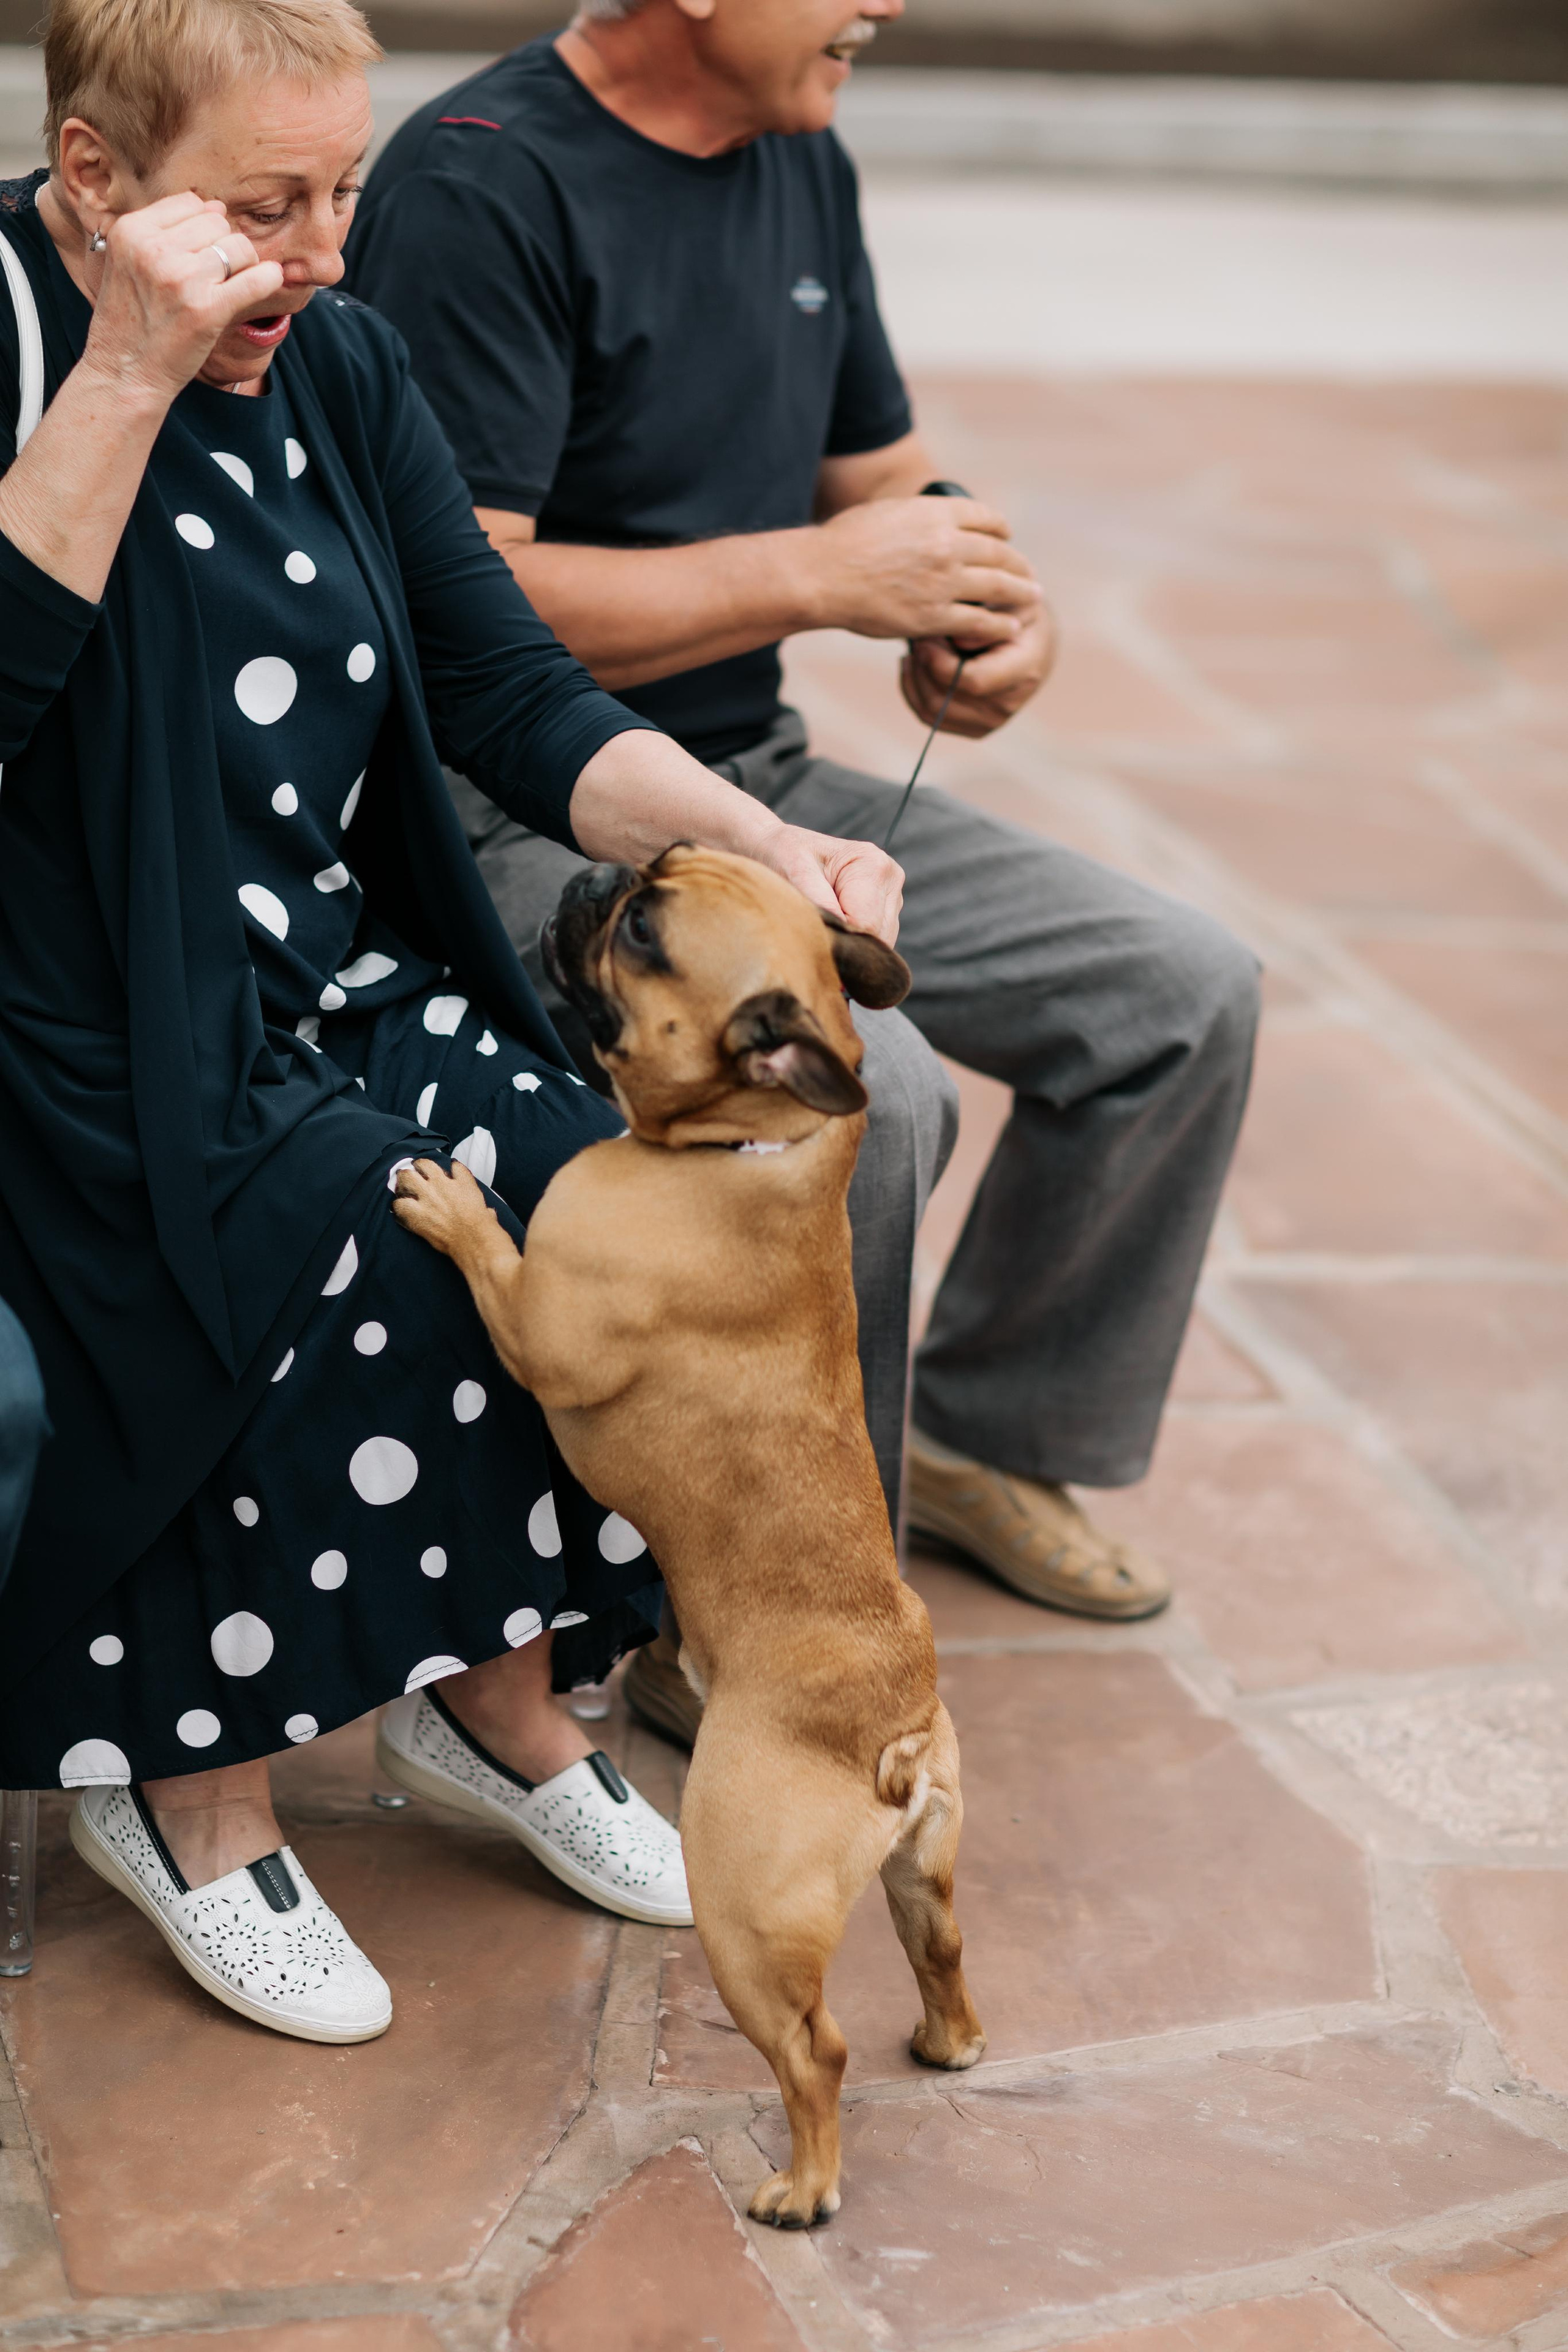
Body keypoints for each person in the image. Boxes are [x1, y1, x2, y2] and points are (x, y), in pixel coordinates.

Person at [0, 0, 904, 2044]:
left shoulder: (345, 357)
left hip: (308, 955)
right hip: (75, 1004)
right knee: (331, 1208)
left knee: (570, 1169)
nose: (322, 252)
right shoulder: (10, 333)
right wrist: (126, 380)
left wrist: (774, 850)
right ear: (90, 180)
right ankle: (187, 1790)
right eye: (263, 208)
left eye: (341, 192)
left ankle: (494, 1705)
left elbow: (516, 701)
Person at [346, 0, 1263, 1742]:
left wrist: (996, 619)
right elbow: (460, 595)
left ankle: (991, 1441)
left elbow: (893, 484)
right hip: (510, 808)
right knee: (878, 1092)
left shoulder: (798, 150)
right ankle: (734, 1604)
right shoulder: (483, 187)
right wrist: (824, 575)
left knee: (1177, 991)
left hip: (750, 772)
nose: (885, 3)